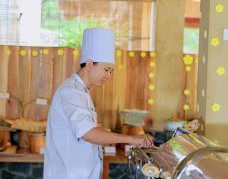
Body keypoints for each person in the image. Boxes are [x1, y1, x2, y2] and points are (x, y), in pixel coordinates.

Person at [43, 28, 153, 179]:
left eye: (111, 71)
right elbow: (88, 133)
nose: (108, 75)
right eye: (106, 69)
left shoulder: (82, 91)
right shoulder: (72, 92)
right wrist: (131, 139)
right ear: (89, 64)